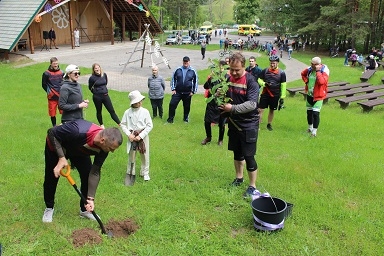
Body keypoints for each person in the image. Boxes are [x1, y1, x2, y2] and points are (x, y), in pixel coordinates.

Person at [42, 119, 123, 223]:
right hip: (57, 144)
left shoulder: (103, 149)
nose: (112, 151)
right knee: (53, 175)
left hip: (79, 149)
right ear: (102, 140)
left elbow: (95, 172)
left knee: (87, 174)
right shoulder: (78, 131)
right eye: (111, 148)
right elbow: (52, 132)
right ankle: (49, 208)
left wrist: (91, 199)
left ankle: (84, 210)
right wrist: (61, 157)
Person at [218, 52, 260, 198]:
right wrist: (219, 94)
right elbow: (227, 95)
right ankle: (239, 177)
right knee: (237, 153)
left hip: (249, 125)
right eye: (231, 69)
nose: (234, 73)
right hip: (234, 124)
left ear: (244, 67)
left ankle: (252, 186)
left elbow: (252, 104)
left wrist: (233, 109)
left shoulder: (251, 81)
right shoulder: (228, 78)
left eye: (237, 70)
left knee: (249, 156)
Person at [121, 91, 153, 182]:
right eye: (137, 101)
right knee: (132, 155)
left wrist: (141, 136)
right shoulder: (127, 112)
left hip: (143, 136)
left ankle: (145, 172)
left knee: (145, 155)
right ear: (133, 103)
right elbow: (123, 124)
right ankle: (131, 172)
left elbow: (149, 125)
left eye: (140, 101)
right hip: (132, 137)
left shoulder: (145, 112)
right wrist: (129, 134)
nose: (139, 103)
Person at [201, 60, 229, 146]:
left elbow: (230, 90)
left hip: (221, 103)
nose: (220, 69)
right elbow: (205, 86)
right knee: (207, 121)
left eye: (222, 67)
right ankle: (208, 137)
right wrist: (212, 89)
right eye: (219, 67)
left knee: (222, 123)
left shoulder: (227, 78)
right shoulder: (213, 77)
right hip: (212, 102)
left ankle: (220, 140)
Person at [301, 57, 329, 137]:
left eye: (314, 64)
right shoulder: (309, 70)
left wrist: (318, 71)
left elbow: (321, 82)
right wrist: (306, 81)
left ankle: (314, 132)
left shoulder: (324, 71)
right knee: (309, 112)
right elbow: (302, 74)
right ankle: (310, 128)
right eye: (311, 64)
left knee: (315, 113)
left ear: (319, 64)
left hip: (319, 96)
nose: (312, 66)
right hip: (310, 95)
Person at [257, 55, 287, 131]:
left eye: (274, 63)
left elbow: (283, 85)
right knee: (260, 109)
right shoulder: (265, 70)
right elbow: (259, 79)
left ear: (278, 63)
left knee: (272, 109)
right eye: (271, 63)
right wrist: (264, 84)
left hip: (275, 94)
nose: (272, 64)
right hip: (265, 93)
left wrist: (282, 97)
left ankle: (269, 124)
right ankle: (257, 125)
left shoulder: (282, 73)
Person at [167, 56, 198, 123]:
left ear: (189, 62)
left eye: (187, 62)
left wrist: (193, 91)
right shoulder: (178, 70)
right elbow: (173, 79)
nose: (185, 63)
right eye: (184, 61)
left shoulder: (193, 71)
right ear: (182, 62)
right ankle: (170, 120)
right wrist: (173, 89)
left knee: (187, 107)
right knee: (172, 104)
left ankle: (185, 119)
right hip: (177, 92)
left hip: (187, 93)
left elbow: (196, 81)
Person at [88, 63, 120, 128]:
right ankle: (101, 125)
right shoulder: (92, 78)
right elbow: (90, 87)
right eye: (95, 68)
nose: (97, 69)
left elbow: (106, 83)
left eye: (98, 67)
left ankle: (119, 123)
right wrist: (96, 92)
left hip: (105, 95)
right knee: (99, 111)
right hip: (97, 97)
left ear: (100, 68)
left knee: (111, 110)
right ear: (93, 70)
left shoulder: (104, 75)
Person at [42, 57, 63, 126]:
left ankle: (64, 124)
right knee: (52, 113)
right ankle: (54, 126)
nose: (56, 65)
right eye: (54, 64)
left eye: (56, 63)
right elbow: (44, 84)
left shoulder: (61, 72)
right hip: (52, 97)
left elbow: (64, 82)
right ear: (51, 64)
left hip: (61, 96)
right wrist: (49, 92)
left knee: (64, 111)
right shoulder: (46, 73)